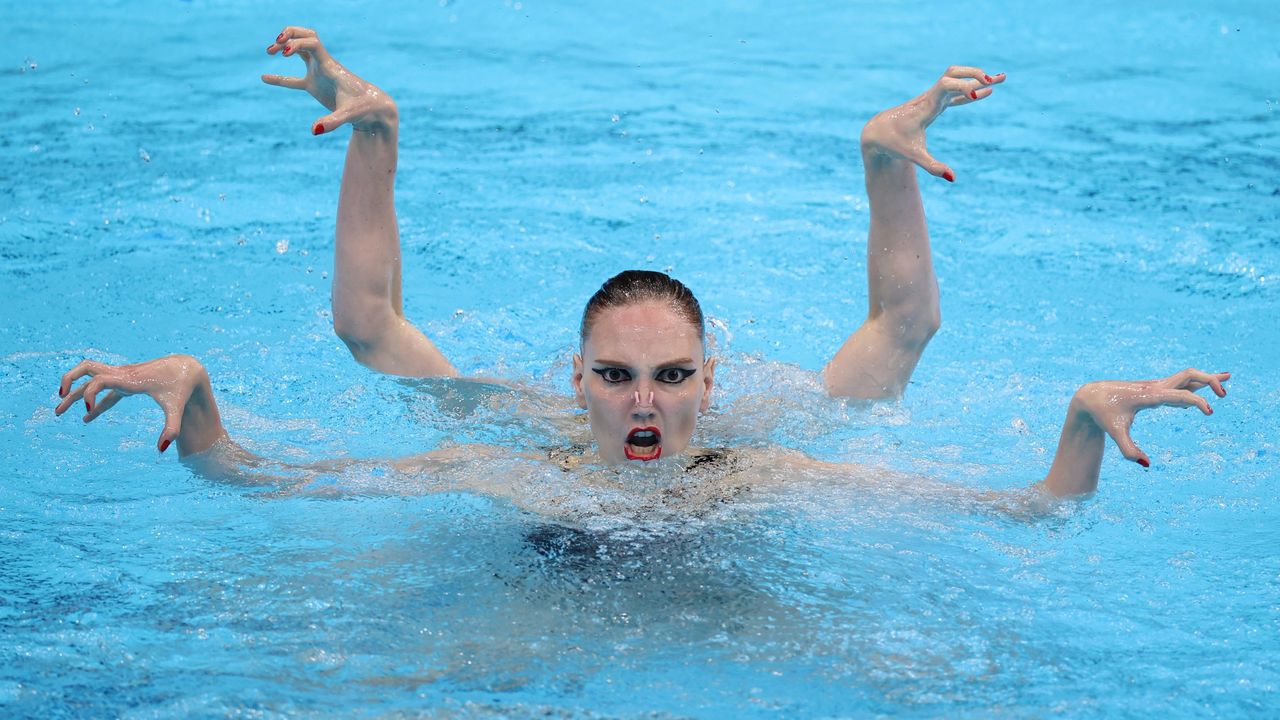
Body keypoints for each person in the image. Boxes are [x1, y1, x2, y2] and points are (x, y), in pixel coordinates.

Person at [53, 27, 1229, 504]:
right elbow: (285, 461)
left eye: (670, 377)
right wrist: (198, 403)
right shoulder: (504, 454)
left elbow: (1018, 512)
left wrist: (1079, 424)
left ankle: (885, 148)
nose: (643, 401)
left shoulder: (764, 470)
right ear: (574, 379)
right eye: (616, 376)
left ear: (710, 380)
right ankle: (376, 124)